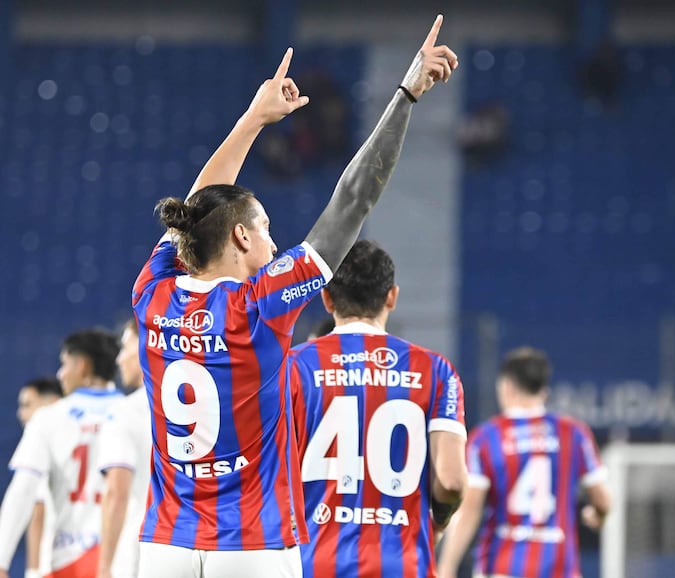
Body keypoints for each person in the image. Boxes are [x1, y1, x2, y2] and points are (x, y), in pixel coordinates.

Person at [131, 14, 457, 578]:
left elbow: (199, 205)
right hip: (253, 546)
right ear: (240, 237)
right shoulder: (259, 306)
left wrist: (254, 119)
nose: (274, 240)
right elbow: (353, 201)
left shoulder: (151, 292)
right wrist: (405, 95)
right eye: (265, 228)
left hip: (165, 545)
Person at [287, 239, 468, 577]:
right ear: (392, 297)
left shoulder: (293, 367)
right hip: (402, 564)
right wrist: (438, 522)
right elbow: (452, 481)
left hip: (313, 563)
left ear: (327, 299)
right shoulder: (436, 370)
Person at [437, 347, 612, 578]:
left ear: (506, 386)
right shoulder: (574, 434)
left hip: (503, 567)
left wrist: (447, 567)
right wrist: (598, 515)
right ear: (543, 390)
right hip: (560, 569)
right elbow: (603, 499)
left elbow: (469, 511)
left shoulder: (487, 438)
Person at [0, 329, 123, 578]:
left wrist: (2, 560)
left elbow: (22, 492)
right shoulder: (140, 416)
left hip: (69, 561)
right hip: (124, 560)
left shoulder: (49, 418)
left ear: (82, 366)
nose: (60, 374)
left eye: (64, 364)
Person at [97, 319, 152, 578]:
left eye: (125, 347)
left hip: (139, 551)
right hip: (199, 543)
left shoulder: (125, 411)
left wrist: (105, 564)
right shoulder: (205, 403)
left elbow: (116, 493)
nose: (119, 359)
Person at [16, 378, 63, 578]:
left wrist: (33, 571)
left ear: (51, 403)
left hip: (52, 564)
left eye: (27, 405)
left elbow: (38, 511)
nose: (21, 414)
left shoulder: (46, 448)